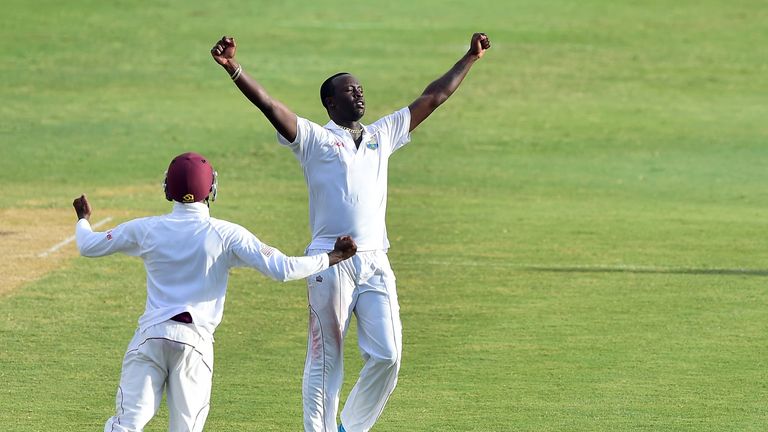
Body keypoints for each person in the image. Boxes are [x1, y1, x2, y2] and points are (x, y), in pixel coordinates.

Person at [211, 32, 491, 432]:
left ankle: (350, 427)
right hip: (330, 261)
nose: (358, 95)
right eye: (348, 91)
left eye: (360, 89)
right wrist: (234, 69)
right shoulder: (314, 139)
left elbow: (434, 97)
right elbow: (270, 106)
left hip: (377, 259)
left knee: (388, 355)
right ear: (330, 102)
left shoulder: (382, 135)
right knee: (327, 359)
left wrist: (470, 57)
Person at [73, 152, 357, 432]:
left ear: (167, 190)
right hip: (195, 344)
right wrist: (331, 257)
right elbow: (282, 268)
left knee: (126, 426)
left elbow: (88, 245)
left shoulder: (146, 229)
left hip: (149, 338)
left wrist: (83, 218)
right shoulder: (226, 234)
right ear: (211, 190)